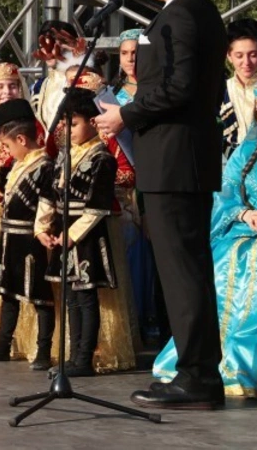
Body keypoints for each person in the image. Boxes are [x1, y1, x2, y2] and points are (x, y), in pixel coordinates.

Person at [94, 0, 228, 410]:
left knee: (183, 271)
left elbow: (181, 87)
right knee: (184, 270)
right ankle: (196, 372)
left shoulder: (184, 14)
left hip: (176, 160)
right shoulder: (189, 12)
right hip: (175, 158)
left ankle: (197, 377)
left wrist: (125, 114)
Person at [153, 78, 257, 396]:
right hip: (242, 231)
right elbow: (226, 189)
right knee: (217, 270)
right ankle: (204, 361)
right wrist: (245, 214)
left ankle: (246, 364)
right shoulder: (249, 150)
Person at [35, 86, 120, 377]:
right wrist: (42, 227)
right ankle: (71, 357)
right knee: (70, 297)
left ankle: (84, 359)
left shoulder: (102, 159)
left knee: (86, 297)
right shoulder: (64, 156)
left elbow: (98, 205)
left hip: (86, 238)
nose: (68, 130)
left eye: (74, 123)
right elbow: (48, 194)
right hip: (62, 234)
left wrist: (72, 234)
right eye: (65, 124)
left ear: (93, 122)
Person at [0, 98, 56, 368]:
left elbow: (47, 203)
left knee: (40, 298)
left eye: (8, 146)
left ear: (21, 139)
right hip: (9, 237)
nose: (7, 152)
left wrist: (42, 229)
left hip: (30, 240)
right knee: (7, 293)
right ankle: (2, 346)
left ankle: (43, 352)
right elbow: (3, 172)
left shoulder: (44, 166)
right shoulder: (18, 163)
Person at [106, 28, 156, 340]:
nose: (130, 59)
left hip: (146, 183)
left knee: (145, 255)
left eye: (136, 53)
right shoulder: (112, 95)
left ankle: (147, 319)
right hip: (116, 185)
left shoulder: (154, 92)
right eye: (124, 53)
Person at [220, 18, 257, 156]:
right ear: (229, 56)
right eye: (239, 56)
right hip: (229, 162)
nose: (246, 62)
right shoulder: (220, 92)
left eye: (253, 55)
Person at [30, 20, 84, 131]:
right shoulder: (39, 87)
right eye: (43, 45)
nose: (48, 51)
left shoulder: (84, 81)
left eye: (54, 45)